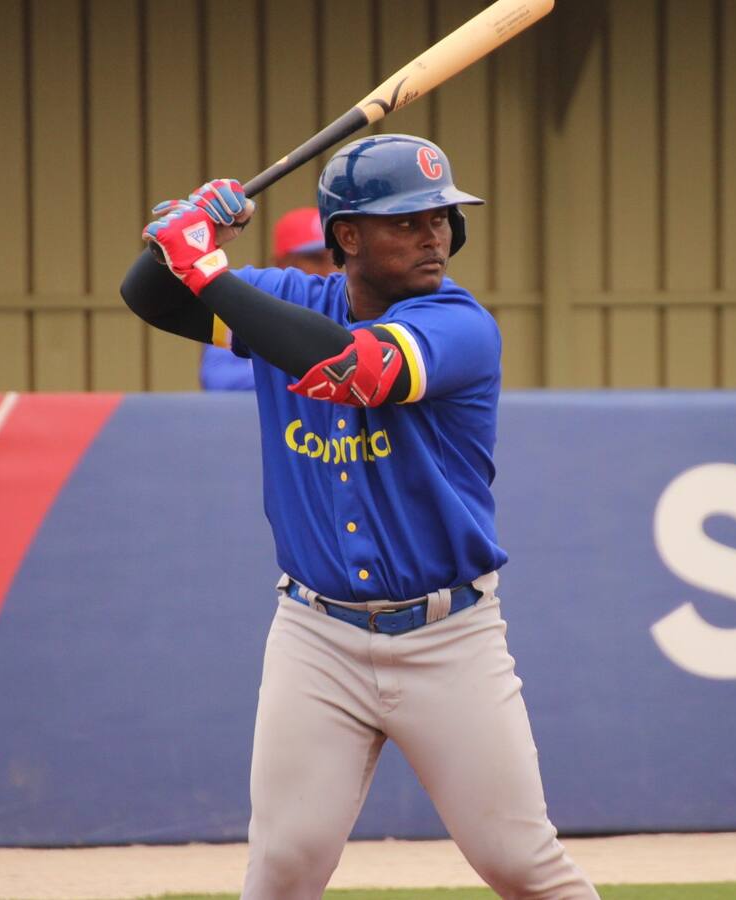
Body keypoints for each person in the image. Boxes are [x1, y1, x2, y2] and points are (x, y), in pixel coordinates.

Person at [121, 134, 596, 899]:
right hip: (317, 636)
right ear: (347, 236)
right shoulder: (293, 301)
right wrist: (183, 238)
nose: (433, 234)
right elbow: (147, 296)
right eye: (406, 220)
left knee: (520, 863)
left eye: (440, 217)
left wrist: (203, 265)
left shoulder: (462, 327)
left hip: (449, 636)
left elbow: (353, 370)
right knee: (282, 868)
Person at [199, 206, 338, 390]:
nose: (329, 271)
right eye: (315, 259)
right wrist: (314, 370)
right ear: (282, 262)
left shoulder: (346, 306)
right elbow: (218, 378)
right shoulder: (249, 308)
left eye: (335, 259)